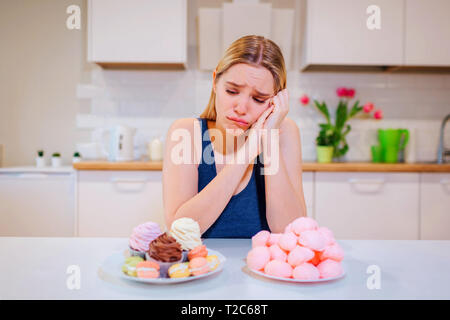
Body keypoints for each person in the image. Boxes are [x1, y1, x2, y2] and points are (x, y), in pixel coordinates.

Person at [163, 35, 307, 238]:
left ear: (275, 102)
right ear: (215, 82)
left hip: (261, 268)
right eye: (232, 91)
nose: (241, 108)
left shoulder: (285, 133)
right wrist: (247, 152)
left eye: (258, 99)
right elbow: (180, 231)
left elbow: (290, 231)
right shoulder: (186, 133)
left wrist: (270, 139)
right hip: (204, 268)